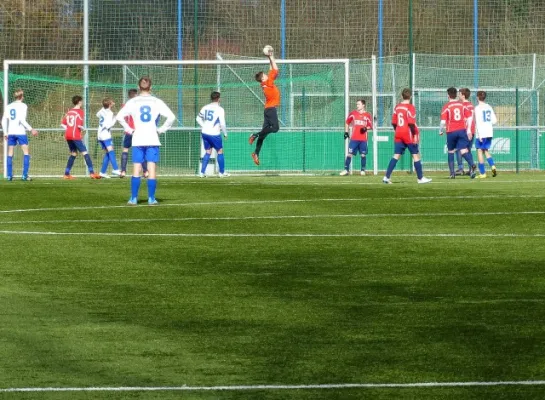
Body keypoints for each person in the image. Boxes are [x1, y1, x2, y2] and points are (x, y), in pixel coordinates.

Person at [116, 76, 175, 205]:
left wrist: (129, 129)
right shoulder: (156, 101)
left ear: (138, 87)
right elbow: (171, 117)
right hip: (152, 138)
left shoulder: (133, 101)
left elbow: (119, 116)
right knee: (151, 167)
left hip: (137, 138)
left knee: (136, 167)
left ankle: (133, 198)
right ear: (151, 88)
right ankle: (151, 198)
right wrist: (161, 129)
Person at [382, 88, 432, 185]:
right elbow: (411, 123)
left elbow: (393, 122)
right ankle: (420, 178)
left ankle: (386, 177)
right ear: (411, 97)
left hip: (398, 132)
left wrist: (397, 130)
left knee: (396, 155)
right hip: (407, 133)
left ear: (401, 96)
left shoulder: (397, 107)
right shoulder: (410, 107)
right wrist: (414, 135)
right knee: (415, 155)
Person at [249, 46, 280, 165]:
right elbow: (275, 69)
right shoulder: (268, 82)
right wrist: (270, 57)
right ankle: (255, 134)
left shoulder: (264, 84)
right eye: (265, 75)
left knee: (264, 132)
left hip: (267, 109)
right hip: (271, 110)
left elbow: (271, 69)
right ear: (263, 78)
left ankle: (256, 153)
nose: (267, 75)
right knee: (275, 128)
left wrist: (270, 58)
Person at [1, 89, 38, 181]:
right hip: (20, 132)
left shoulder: (9, 106)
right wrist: (31, 129)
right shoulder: (23, 106)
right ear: (21, 96)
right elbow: (22, 120)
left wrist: (5, 132)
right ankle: (24, 175)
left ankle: (9, 176)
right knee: (26, 153)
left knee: (10, 153)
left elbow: (3, 120)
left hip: (11, 132)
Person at [439, 87, 476, 179]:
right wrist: (468, 130)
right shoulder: (462, 105)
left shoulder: (446, 106)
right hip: (462, 130)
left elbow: (443, 122)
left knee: (451, 151)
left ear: (448, 95)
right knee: (463, 150)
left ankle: (452, 174)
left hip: (451, 131)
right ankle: (472, 164)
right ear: (456, 95)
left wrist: (440, 130)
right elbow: (470, 117)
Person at [61, 95, 101, 180]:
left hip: (68, 135)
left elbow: (63, 124)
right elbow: (79, 125)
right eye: (81, 101)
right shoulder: (80, 112)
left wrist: (69, 129)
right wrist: (83, 129)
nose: (82, 102)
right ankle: (92, 173)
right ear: (79, 102)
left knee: (74, 153)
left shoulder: (69, 112)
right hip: (75, 135)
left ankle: (66, 174)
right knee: (85, 153)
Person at [196, 91, 229, 177]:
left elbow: (198, 119)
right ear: (219, 99)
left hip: (205, 133)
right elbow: (222, 123)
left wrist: (204, 126)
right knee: (220, 151)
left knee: (208, 152)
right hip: (214, 134)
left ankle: (202, 172)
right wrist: (225, 133)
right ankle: (221, 172)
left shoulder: (205, 107)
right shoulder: (220, 109)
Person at [120, 89, 148, 178]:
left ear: (129, 96)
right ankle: (145, 171)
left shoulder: (125, 105)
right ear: (136, 95)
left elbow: (123, 118)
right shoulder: (139, 105)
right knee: (141, 150)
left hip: (129, 131)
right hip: (138, 130)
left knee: (125, 149)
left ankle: (123, 171)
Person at [340, 99, 372, 176]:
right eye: (357, 104)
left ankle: (362, 170)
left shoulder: (367, 115)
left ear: (363, 105)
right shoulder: (353, 113)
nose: (357, 106)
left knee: (363, 155)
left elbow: (370, 126)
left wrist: (365, 128)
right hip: (354, 138)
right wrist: (346, 132)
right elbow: (347, 122)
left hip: (363, 139)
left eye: (359, 104)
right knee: (349, 154)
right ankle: (346, 170)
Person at [474, 90, 498, 178]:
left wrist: (479, 135)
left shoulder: (477, 108)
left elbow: (477, 122)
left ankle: (482, 173)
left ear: (477, 97)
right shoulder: (489, 107)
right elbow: (495, 121)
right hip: (489, 132)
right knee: (485, 150)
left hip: (481, 133)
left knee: (479, 151)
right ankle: (492, 166)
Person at [96, 97, 121, 178]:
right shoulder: (110, 113)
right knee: (111, 151)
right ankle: (115, 169)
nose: (113, 102)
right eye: (112, 102)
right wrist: (115, 118)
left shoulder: (102, 110)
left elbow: (97, 115)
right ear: (110, 104)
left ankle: (102, 172)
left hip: (99, 134)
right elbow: (109, 125)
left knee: (107, 152)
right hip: (105, 134)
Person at [457, 87, 476, 175]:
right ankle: (471, 169)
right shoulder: (471, 105)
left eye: (459, 94)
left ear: (463, 95)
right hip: (472, 130)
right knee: (467, 150)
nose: (458, 95)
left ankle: (462, 168)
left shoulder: (462, 105)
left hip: (465, 130)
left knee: (460, 149)